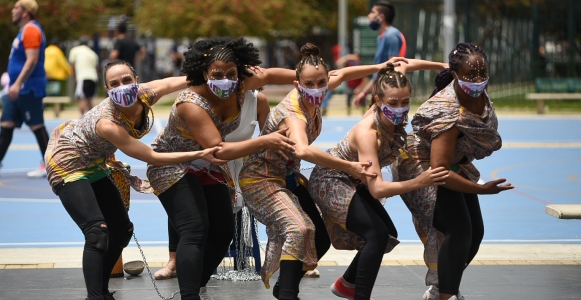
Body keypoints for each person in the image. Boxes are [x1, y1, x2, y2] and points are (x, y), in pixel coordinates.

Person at [44, 60, 226, 300]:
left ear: (137, 80)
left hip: (95, 160)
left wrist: (207, 78)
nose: (122, 87)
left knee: (121, 230)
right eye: (114, 84)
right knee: (97, 232)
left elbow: (171, 82)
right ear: (108, 90)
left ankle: (100, 290)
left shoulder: (144, 94)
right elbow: (151, 156)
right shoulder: (107, 123)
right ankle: (95, 296)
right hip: (67, 162)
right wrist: (199, 154)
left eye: (126, 80)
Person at [239, 43, 406, 300]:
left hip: (288, 177)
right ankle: (288, 293)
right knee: (301, 228)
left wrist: (379, 67)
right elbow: (303, 151)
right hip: (261, 179)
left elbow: (344, 74)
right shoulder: (294, 114)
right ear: (297, 84)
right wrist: (349, 166)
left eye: (321, 82)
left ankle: (285, 284)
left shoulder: (319, 88)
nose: (316, 89)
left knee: (321, 239)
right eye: (309, 83)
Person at [146, 36, 299, 300]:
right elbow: (218, 150)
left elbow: (273, 74)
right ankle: (189, 294)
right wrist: (265, 140)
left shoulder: (241, 86)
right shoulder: (191, 103)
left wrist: (310, 76)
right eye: (217, 74)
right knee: (195, 228)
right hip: (173, 162)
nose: (225, 79)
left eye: (231, 73)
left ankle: (195, 281)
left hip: (208, 165)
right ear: (204, 74)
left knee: (223, 231)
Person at [309, 60, 449, 300]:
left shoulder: (393, 86)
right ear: (377, 100)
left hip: (354, 179)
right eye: (392, 103)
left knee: (387, 234)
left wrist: (442, 65)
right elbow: (378, 189)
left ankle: (347, 284)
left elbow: (403, 64)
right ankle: (360, 295)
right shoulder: (369, 134)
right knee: (375, 235)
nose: (400, 108)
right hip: (330, 178)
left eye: (405, 102)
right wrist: (419, 181)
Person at [391, 43, 514, 300]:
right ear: (456, 74)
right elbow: (440, 172)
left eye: (482, 74)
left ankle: (440, 287)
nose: (478, 80)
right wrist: (481, 189)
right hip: (421, 166)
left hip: (453, 163)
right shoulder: (448, 114)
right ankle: (446, 294)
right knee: (458, 229)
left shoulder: (476, 92)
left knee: (475, 232)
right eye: (471, 75)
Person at [1, 0, 49, 178]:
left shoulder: (31, 29)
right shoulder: (24, 30)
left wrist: (18, 83)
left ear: (25, 12)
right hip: (18, 88)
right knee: (6, 125)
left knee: (37, 125)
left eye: (16, 8)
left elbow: (32, 60)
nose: (12, 11)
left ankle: (51, 165)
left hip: (28, 87)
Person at [353, 0, 407, 108]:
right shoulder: (381, 37)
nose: (369, 16)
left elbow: (393, 67)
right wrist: (364, 92)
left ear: (381, 17)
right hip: (380, 91)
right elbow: (379, 72)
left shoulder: (391, 35)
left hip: (387, 93)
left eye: (372, 12)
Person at [69, 36, 99, 115]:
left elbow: (72, 66)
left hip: (82, 77)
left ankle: (82, 117)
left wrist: (74, 79)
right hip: (93, 77)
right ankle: (92, 117)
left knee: (81, 98)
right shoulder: (93, 53)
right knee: (90, 99)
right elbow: (96, 68)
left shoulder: (75, 50)